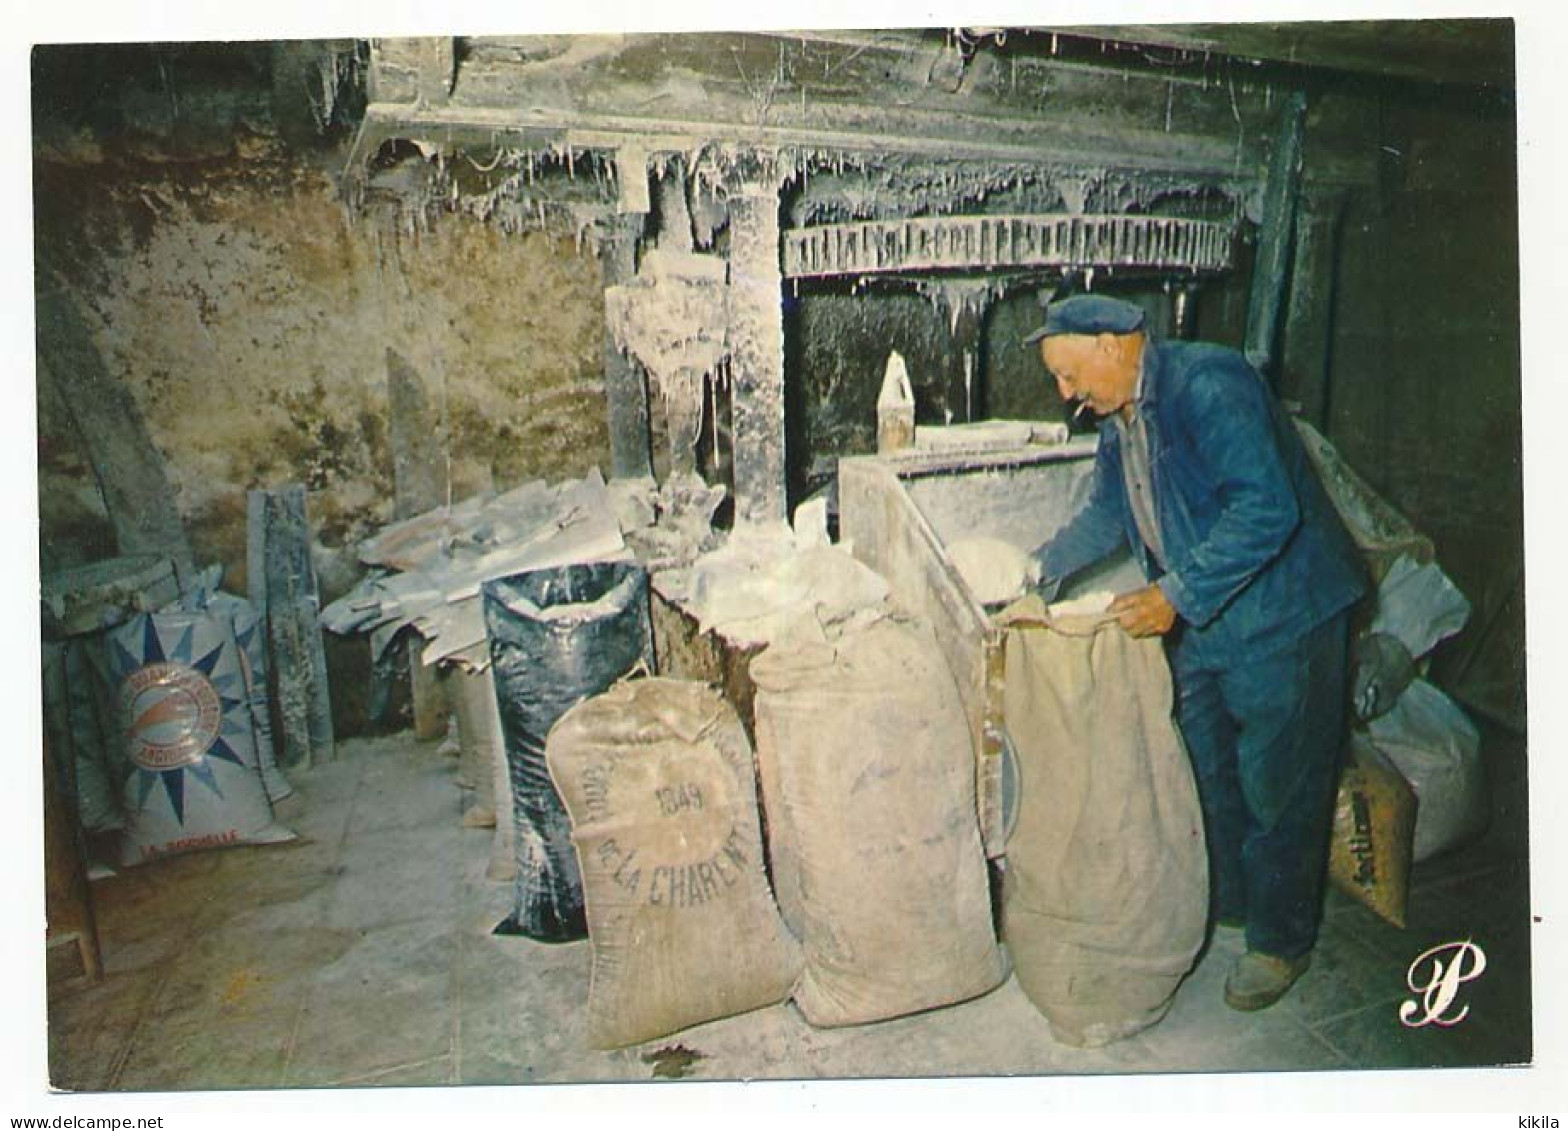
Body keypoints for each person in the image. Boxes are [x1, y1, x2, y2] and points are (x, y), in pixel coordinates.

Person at [1025, 294, 1367, 1011]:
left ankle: (1280, 942)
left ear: (1113, 344)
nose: (1065, 393)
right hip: (1209, 614)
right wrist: (1032, 571)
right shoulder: (1119, 420)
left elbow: (1266, 507)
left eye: (1069, 373)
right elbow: (1107, 515)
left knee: (1281, 784)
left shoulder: (1208, 384)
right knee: (1206, 767)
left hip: (1284, 612)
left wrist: (1174, 596)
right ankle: (1234, 904)